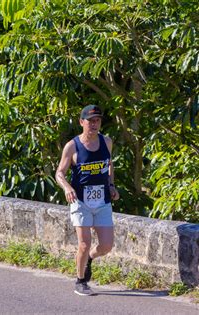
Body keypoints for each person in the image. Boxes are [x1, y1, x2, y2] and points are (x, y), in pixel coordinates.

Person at [55, 105, 119, 296]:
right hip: (80, 201)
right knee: (84, 243)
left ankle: (89, 259)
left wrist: (111, 185)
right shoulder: (72, 146)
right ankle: (80, 281)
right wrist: (67, 187)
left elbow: (109, 165)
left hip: (102, 202)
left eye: (97, 120)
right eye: (90, 121)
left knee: (107, 246)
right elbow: (59, 173)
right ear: (81, 122)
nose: (94, 124)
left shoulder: (106, 142)